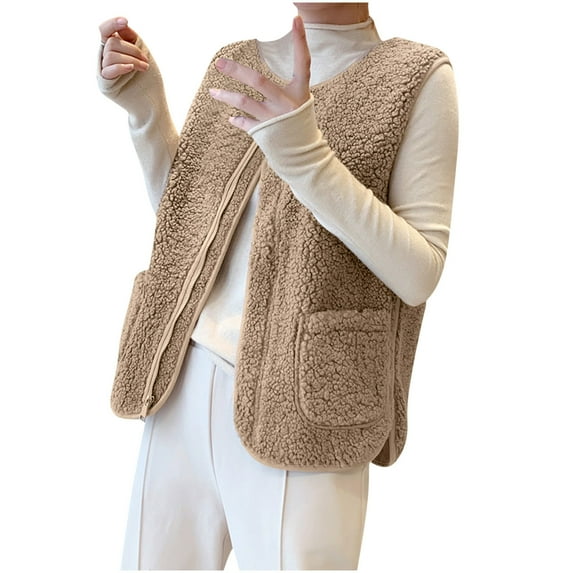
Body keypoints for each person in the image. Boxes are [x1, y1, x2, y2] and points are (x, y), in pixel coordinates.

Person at [97, 2, 458, 570]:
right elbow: (187, 227)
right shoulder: (236, 63)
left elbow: (419, 272)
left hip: (307, 401)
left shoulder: (415, 78)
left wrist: (304, 155)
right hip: (181, 383)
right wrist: (144, 108)